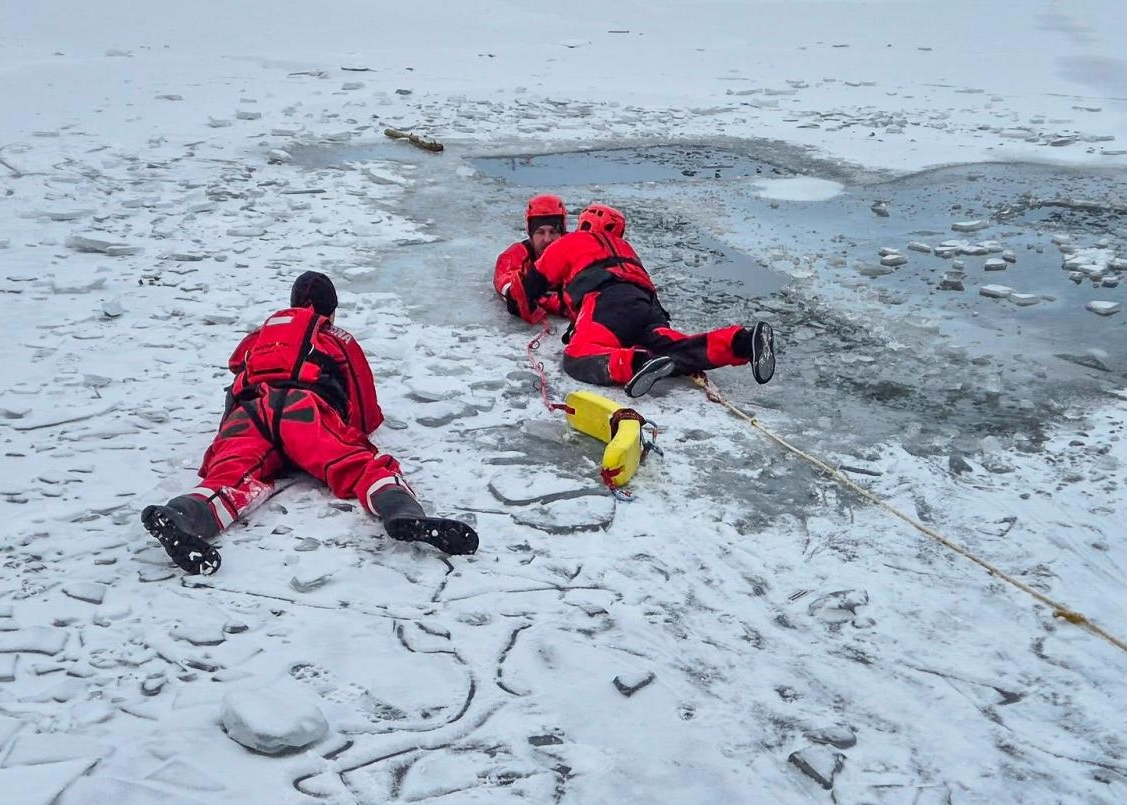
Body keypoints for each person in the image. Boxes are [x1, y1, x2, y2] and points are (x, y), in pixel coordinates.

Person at [142, 271, 479, 575]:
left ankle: (183, 514)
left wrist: (229, 437)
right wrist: (348, 433)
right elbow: (365, 409)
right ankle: (402, 511)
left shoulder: (260, 335)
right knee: (359, 466)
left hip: (252, 410)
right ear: (330, 312)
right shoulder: (334, 335)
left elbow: (237, 373)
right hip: (303, 410)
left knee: (230, 476)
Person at [511, 203, 775, 398]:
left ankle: (637, 363)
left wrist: (514, 298)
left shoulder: (572, 242)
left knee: (578, 355)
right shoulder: (626, 250)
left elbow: (529, 288)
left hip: (607, 302)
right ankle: (742, 342)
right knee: (679, 346)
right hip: (649, 306)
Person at [494, 193, 570, 320]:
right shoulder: (514, 256)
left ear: (562, 233)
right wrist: (559, 304)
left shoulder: (579, 250)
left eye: (553, 232)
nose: (547, 239)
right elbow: (512, 293)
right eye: (540, 232)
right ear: (530, 233)